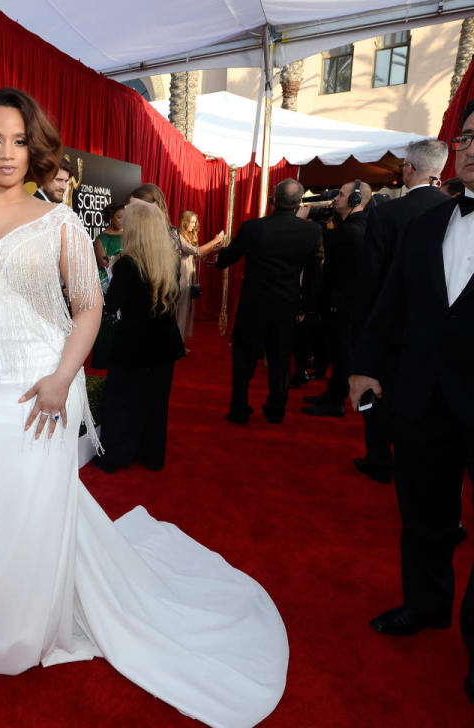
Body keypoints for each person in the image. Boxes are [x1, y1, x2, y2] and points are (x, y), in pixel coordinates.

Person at [0, 87, 288, 728]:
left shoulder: (58, 222)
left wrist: (61, 379)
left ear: (37, 148)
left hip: (40, 395)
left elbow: (87, 308)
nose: (7, 153)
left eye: (20, 140)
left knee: (33, 512)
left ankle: (27, 623)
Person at [349, 99, 474, 707]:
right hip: (422, 393)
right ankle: (425, 606)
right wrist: (365, 365)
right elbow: (392, 300)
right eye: (468, 136)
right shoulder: (426, 222)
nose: (471, 147)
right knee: (423, 512)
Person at [351, 139, 448, 483]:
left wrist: (364, 332)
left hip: (388, 325)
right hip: (437, 330)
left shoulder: (387, 213)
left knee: (377, 394)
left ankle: (379, 460)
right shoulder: (452, 211)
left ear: (409, 168)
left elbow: (369, 278)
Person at [216, 178, 323, 424]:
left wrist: (220, 257)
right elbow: (315, 276)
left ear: (273, 200)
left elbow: (227, 258)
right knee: (281, 360)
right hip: (286, 306)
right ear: (299, 203)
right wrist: (308, 308)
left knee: (244, 359)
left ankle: (239, 409)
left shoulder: (252, 227)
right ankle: (276, 409)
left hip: (253, 305)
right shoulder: (311, 231)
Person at [91, 200, 184, 472]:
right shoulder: (170, 260)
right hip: (164, 344)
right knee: (156, 401)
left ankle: (116, 456)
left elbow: (110, 305)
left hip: (133, 344)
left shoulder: (127, 264)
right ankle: (151, 455)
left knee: (120, 400)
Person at [302, 179, 371, 417]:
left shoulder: (352, 229)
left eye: (341, 195)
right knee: (337, 353)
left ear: (355, 200)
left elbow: (322, 241)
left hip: (344, 305)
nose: (335, 199)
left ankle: (336, 401)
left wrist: (303, 221)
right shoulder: (354, 225)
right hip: (341, 303)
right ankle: (332, 394)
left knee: (342, 356)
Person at [176, 210, 225, 343]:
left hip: (188, 275)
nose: (194, 224)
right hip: (182, 277)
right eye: (191, 222)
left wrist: (214, 246)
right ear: (184, 222)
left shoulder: (187, 236)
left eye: (195, 222)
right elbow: (196, 251)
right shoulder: (179, 236)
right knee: (181, 311)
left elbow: (199, 254)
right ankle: (177, 345)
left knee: (186, 310)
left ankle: (180, 343)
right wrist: (215, 240)